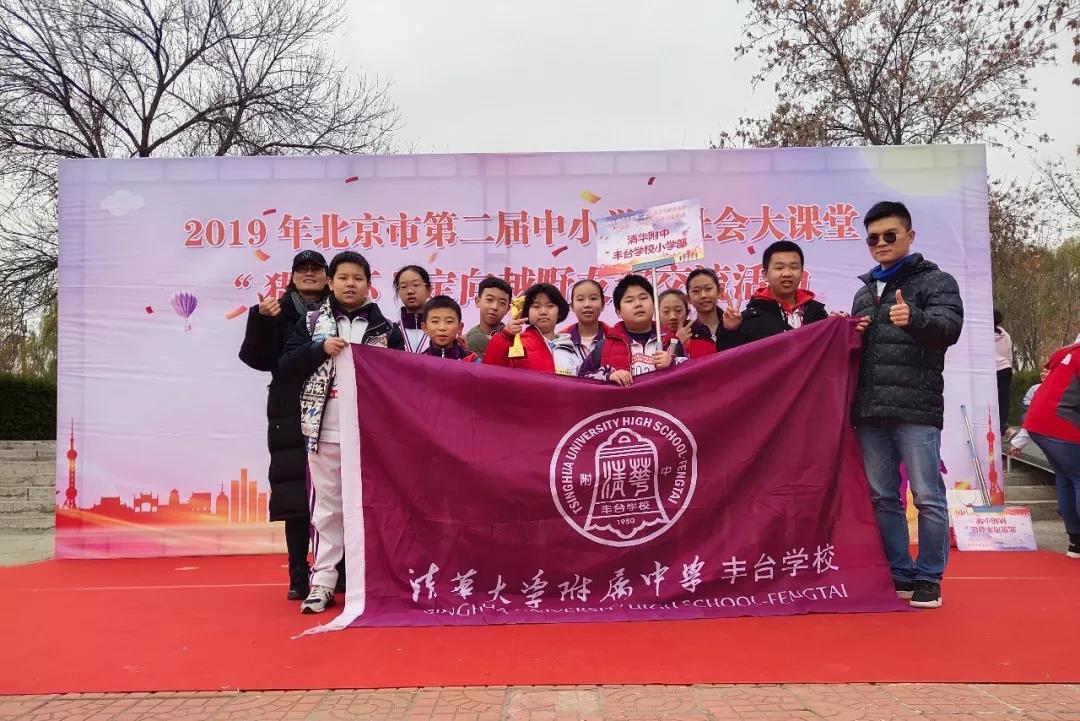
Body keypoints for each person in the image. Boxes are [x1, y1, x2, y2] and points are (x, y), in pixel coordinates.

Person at [851, 200, 963, 610]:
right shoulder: (864, 291)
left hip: (916, 409)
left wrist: (915, 317)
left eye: (889, 235)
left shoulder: (937, 281)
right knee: (883, 497)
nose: (880, 243)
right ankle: (898, 571)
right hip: (870, 411)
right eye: (873, 239)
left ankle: (929, 577)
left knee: (927, 496)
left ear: (910, 236)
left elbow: (949, 329)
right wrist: (850, 332)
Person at [279, 251, 405, 613]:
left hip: (373, 434)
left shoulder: (386, 330)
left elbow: (403, 380)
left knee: (375, 506)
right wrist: (318, 349)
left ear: (369, 285)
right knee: (327, 508)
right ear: (330, 282)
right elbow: (285, 367)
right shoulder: (311, 323)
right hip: (325, 429)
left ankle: (375, 581)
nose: (351, 284)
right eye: (344, 277)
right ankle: (323, 582)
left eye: (358, 278)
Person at [238, 250, 329, 602]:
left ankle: (333, 570)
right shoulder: (274, 310)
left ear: (327, 275)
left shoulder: (338, 309)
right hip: (289, 410)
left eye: (316, 268)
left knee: (333, 493)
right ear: (291, 276)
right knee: (295, 495)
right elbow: (257, 359)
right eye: (302, 269)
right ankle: (297, 571)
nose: (309, 274)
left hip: (331, 406)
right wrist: (261, 321)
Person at [1009, 343, 1080, 558]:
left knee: (1066, 479)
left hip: (1039, 423)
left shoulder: (1070, 354)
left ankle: (1076, 542)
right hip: (1062, 423)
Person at [716, 240, 828, 349]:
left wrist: (838, 324)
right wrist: (730, 331)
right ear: (765, 275)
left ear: (802, 273)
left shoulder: (818, 314)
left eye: (794, 267)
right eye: (779, 268)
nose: (787, 273)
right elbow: (730, 358)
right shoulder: (749, 319)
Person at [579, 274, 685, 385]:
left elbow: (688, 372)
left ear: (654, 305)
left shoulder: (672, 342)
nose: (638, 304)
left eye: (643, 298)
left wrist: (672, 362)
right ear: (618, 312)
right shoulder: (603, 346)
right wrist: (608, 376)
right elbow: (582, 378)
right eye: (629, 301)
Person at [483, 283, 578, 374]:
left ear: (560, 312)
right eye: (536, 306)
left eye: (550, 306)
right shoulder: (514, 343)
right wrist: (505, 336)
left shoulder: (572, 348)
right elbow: (490, 372)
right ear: (526, 312)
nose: (543, 312)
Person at [421, 295, 478, 362]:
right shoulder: (418, 362)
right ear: (425, 328)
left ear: (459, 328)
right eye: (435, 321)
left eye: (449, 321)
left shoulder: (473, 362)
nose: (442, 328)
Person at [466, 276, 513, 356]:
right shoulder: (465, 341)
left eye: (502, 303)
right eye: (489, 300)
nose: (494, 307)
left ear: (508, 309)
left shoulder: (515, 341)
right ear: (478, 301)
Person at [683, 269, 724, 358]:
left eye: (708, 289)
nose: (703, 295)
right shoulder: (687, 334)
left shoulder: (735, 325)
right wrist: (679, 344)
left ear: (719, 292)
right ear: (688, 299)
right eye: (696, 291)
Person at [393, 264, 432, 354]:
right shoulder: (392, 331)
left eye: (416, 285)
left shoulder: (441, 331)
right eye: (403, 286)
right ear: (398, 293)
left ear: (429, 290)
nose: (410, 291)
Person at [994, 309, 1013, 435]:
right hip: (1005, 368)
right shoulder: (1005, 334)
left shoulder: (982, 334)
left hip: (992, 370)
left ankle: (999, 426)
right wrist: (1009, 365)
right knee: (1004, 398)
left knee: (992, 398)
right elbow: (1009, 352)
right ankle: (1003, 424)